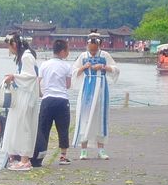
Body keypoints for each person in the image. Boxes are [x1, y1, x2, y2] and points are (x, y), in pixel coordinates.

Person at [72, 32, 120, 160]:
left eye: (94, 50)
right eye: (90, 50)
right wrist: (83, 67)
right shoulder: (83, 56)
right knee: (84, 116)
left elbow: (116, 69)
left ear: (99, 46)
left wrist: (104, 67)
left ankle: (101, 149)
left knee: (100, 117)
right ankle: (83, 149)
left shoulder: (105, 55)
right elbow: (73, 71)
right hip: (87, 88)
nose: (92, 52)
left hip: (101, 88)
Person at [1, 34, 40, 171]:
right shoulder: (24, 57)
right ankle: (20, 157)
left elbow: (31, 77)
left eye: (9, 46)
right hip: (23, 95)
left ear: (14, 45)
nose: (9, 49)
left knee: (24, 127)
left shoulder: (26, 57)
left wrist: (14, 77)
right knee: (20, 125)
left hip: (26, 96)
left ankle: (25, 160)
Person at [31, 39, 73, 167]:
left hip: (47, 100)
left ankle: (39, 157)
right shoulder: (67, 66)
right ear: (62, 51)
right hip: (61, 100)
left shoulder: (44, 64)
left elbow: (37, 81)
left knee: (43, 129)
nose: (68, 53)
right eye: (67, 50)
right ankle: (63, 156)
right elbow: (68, 85)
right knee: (63, 128)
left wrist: (40, 93)